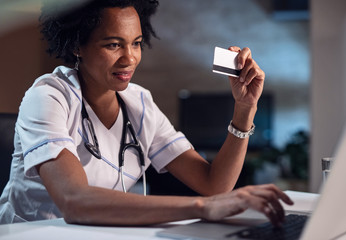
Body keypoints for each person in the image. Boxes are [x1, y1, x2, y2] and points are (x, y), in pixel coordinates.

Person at [0, 0, 293, 226]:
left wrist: (245, 107)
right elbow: (73, 201)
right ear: (78, 46)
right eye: (113, 44)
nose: (130, 59)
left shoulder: (139, 103)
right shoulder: (48, 96)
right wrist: (201, 208)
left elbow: (214, 184)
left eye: (136, 43)